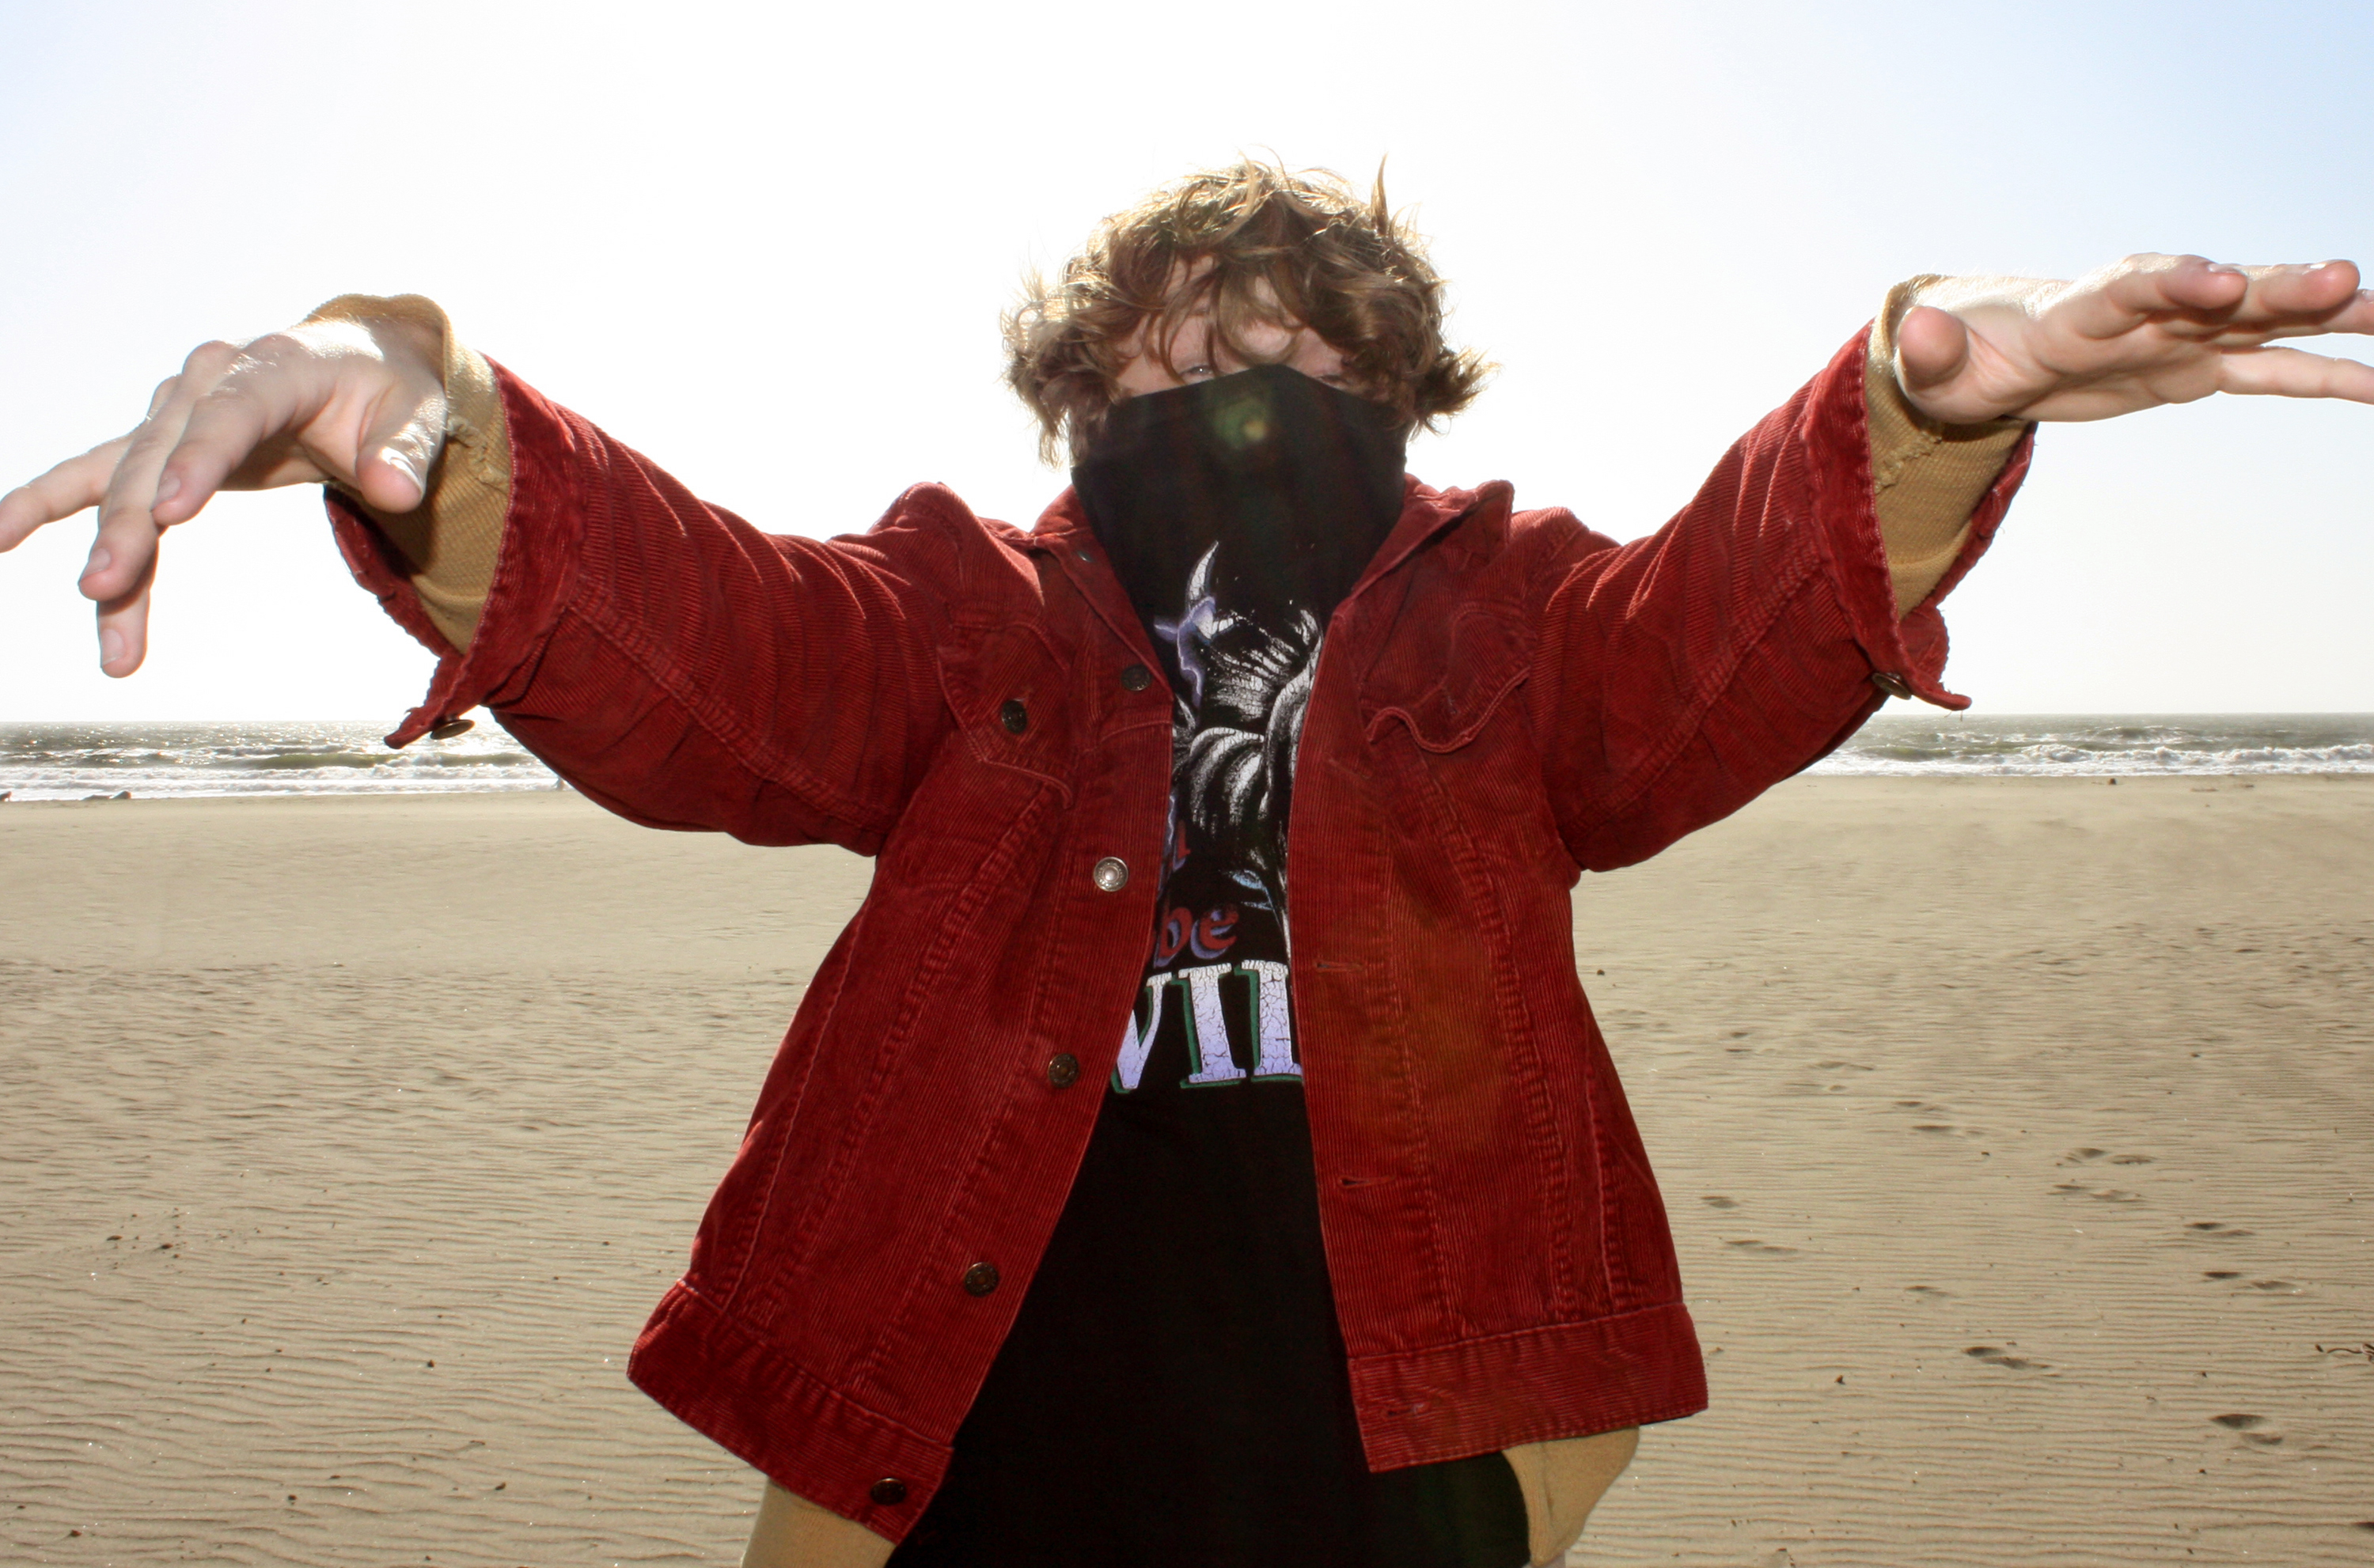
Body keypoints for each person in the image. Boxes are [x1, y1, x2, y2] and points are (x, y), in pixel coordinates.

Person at [4, 161, 2370, 1568]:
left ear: (1404, 407)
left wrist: (1911, 420)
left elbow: (1703, 650)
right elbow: (721, 647)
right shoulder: (966, 611)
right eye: (1159, 378)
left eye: (1296, 371)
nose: (1226, 416)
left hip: (1406, 1391)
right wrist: (420, 420)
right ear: (1072, 414)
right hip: (967, 1356)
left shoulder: (1517, 606)